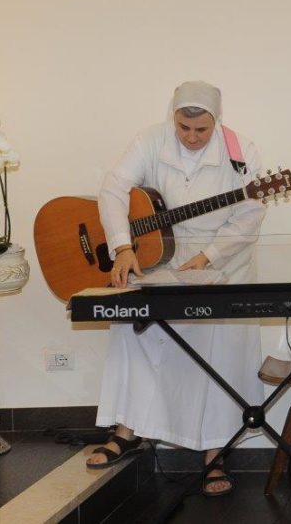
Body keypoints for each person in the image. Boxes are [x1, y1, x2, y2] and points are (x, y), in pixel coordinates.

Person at [87, 80, 265, 499]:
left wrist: (207, 256)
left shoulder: (240, 151)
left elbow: (250, 214)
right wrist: (123, 247)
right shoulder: (150, 140)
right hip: (157, 258)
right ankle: (127, 430)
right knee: (134, 332)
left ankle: (215, 452)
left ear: (215, 121)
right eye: (184, 128)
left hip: (219, 265)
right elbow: (113, 189)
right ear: (174, 117)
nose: (191, 137)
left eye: (201, 130)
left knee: (216, 353)